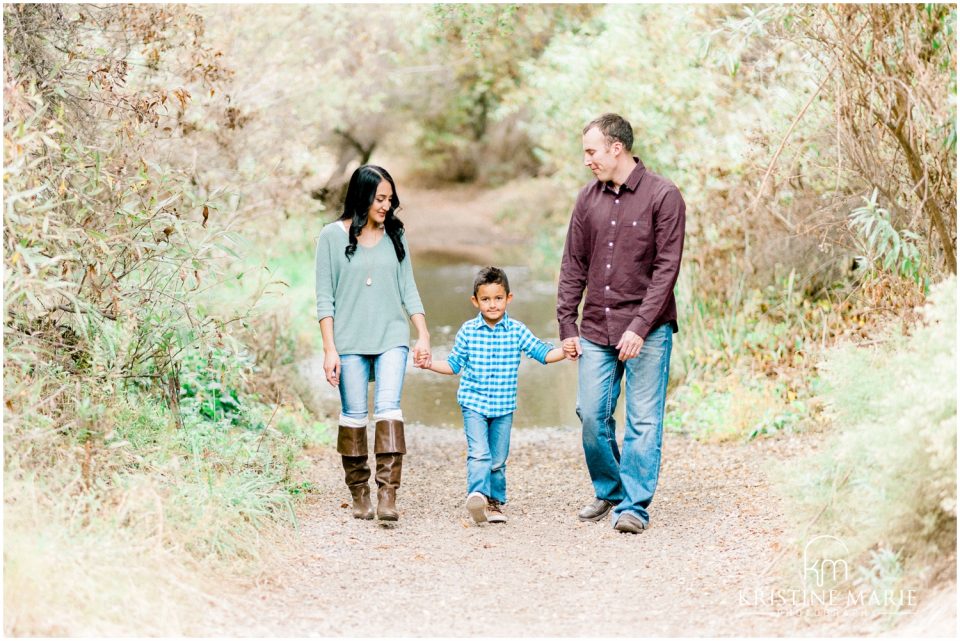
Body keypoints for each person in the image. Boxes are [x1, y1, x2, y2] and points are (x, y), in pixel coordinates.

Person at [557, 113, 686, 534]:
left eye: (591, 152)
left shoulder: (664, 196)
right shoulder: (586, 200)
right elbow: (573, 265)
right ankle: (610, 488)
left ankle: (634, 506)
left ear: (617, 148)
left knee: (643, 420)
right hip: (596, 325)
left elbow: (667, 269)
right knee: (591, 415)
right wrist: (567, 324)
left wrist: (640, 325)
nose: (587, 160)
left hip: (647, 329)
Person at [315, 164, 431, 523]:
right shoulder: (331, 237)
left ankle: (387, 494)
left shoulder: (396, 234)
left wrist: (423, 333)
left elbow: (407, 287)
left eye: (390, 199)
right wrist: (329, 349)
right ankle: (360, 493)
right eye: (380, 199)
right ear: (362, 196)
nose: (386, 206)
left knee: (388, 409)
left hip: (391, 337)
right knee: (353, 416)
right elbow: (324, 299)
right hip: (349, 341)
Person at [418, 267, 566, 524]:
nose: (492, 304)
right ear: (475, 301)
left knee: (497, 459)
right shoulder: (468, 331)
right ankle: (477, 495)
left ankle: (495, 504)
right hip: (473, 403)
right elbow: (453, 365)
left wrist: (566, 351)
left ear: (509, 298)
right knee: (479, 454)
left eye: (498, 298)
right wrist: (429, 364)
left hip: (503, 406)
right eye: (485, 299)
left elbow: (543, 353)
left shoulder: (517, 331)